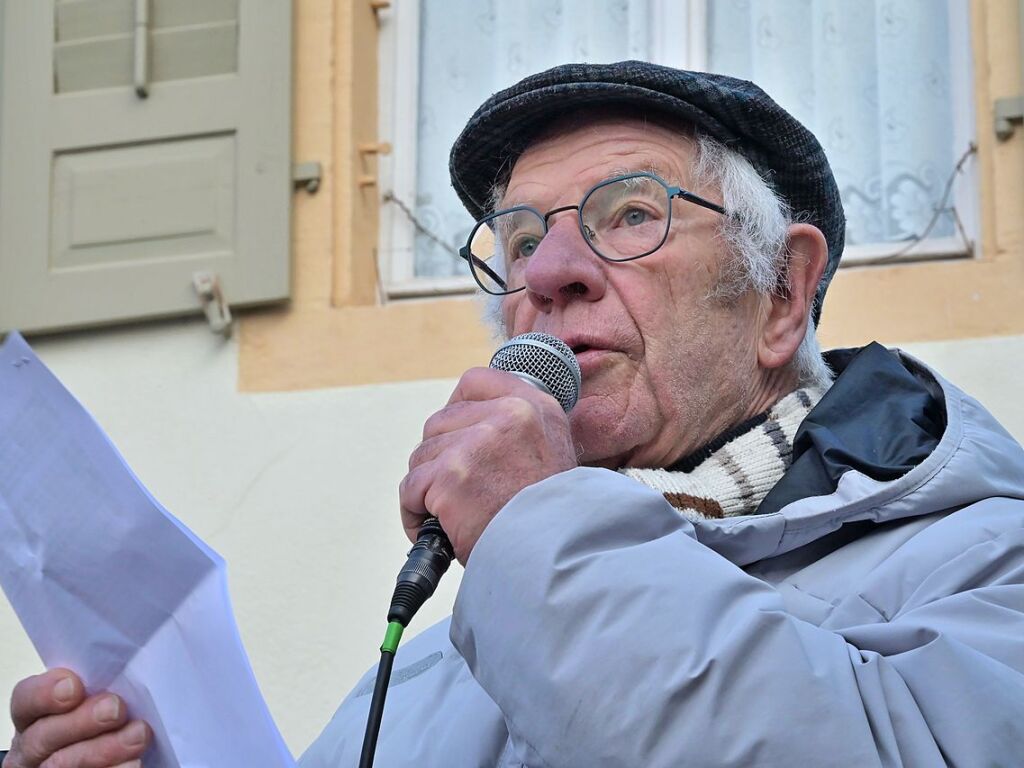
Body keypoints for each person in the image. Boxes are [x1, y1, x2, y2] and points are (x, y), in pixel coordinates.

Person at [5, 61, 1024, 767]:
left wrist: (538, 533)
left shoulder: (983, 551)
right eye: (521, 237)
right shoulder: (460, 642)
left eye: (630, 214)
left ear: (780, 294)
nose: (550, 273)